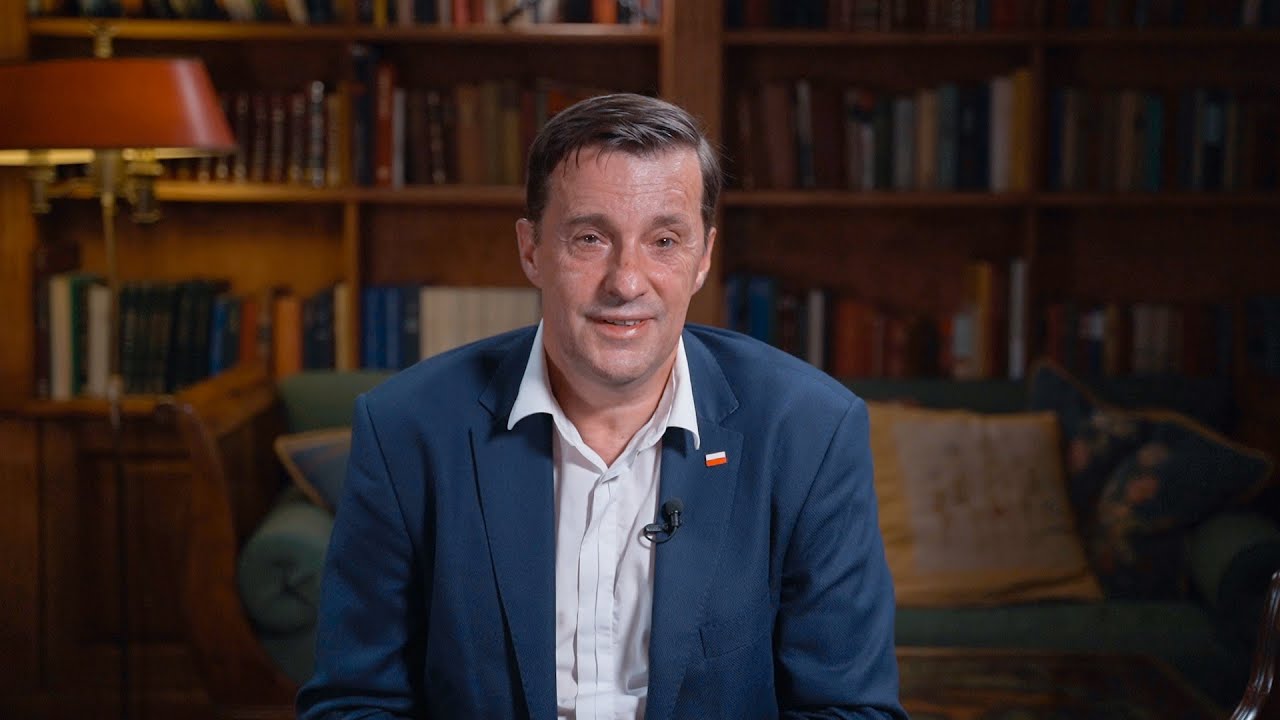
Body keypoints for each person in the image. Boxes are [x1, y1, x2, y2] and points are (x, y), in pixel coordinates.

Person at [296, 92, 905, 720]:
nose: (627, 281)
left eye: (664, 240)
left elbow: (850, 710)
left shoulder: (810, 432)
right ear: (531, 250)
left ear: (703, 257)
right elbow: (354, 704)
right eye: (590, 238)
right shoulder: (405, 430)